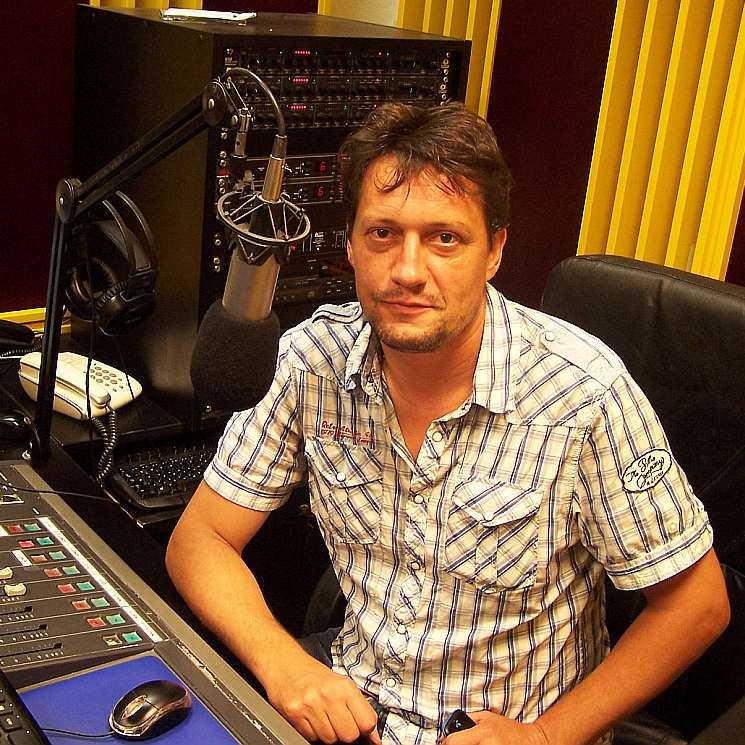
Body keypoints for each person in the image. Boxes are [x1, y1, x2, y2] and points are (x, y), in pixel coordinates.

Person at [166, 102, 730, 745]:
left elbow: (696, 604)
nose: (408, 271)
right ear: (349, 243)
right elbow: (200, 539)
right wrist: (284, 664)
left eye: (445, 239)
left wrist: (546, 737)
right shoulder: (309, 362)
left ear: (494, 251)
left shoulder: (582, 394)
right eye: (383, 233)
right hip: (353, 715)